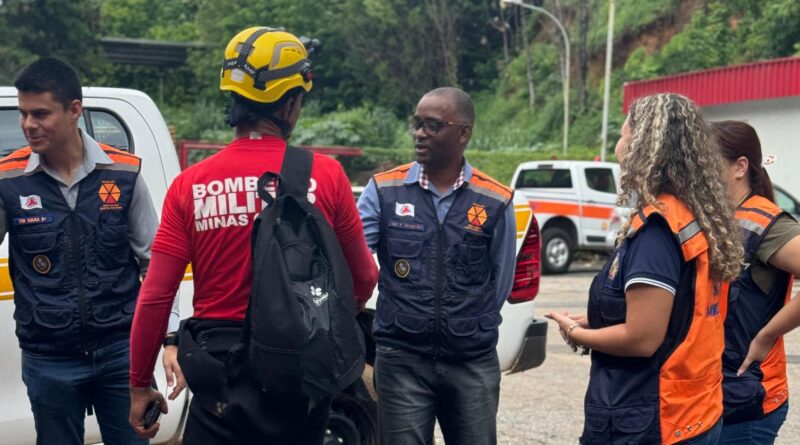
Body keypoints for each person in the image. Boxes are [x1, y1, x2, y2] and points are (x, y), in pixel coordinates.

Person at [127, 27, 378, 444]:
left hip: (219, 379)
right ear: (293, 102)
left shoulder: (191, 185)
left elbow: (155, 296)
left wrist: (139, 384)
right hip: (298, 380)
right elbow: (365, 280)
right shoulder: (327, 176)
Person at [546, 93, 743, 445]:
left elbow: (642, 338)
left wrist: (577, 336)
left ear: (642, 145)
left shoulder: (657, 229)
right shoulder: (696, 216)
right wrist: (592, 319)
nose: (618, 145)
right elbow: (674, 314)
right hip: (695, 411)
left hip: (654, 419)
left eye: (623, 134)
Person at [0, 57, 178, 445]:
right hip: (48, 358)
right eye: (23, 114)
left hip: (122, 355)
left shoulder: (124, 174)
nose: (29, 125)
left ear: (75, 110)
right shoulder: (8, 180)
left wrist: (170, 336)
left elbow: (157, 263)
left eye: (41, 113)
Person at [357, 87, 517, 444]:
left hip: (471, 361)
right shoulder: (384, 191)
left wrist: (469, 323)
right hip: (401, 359)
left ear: (464, 133)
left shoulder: (495, 199)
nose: (419, 133)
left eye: (432, 125)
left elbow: (501, 280)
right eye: (417, 124)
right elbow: (354, 256)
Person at [714, 121, 800, 444]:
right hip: (722, 397)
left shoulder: (764, 222)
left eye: (708, 163)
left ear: (739, 167)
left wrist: (767, 335)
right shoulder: (721, 218)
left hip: (751, 401)